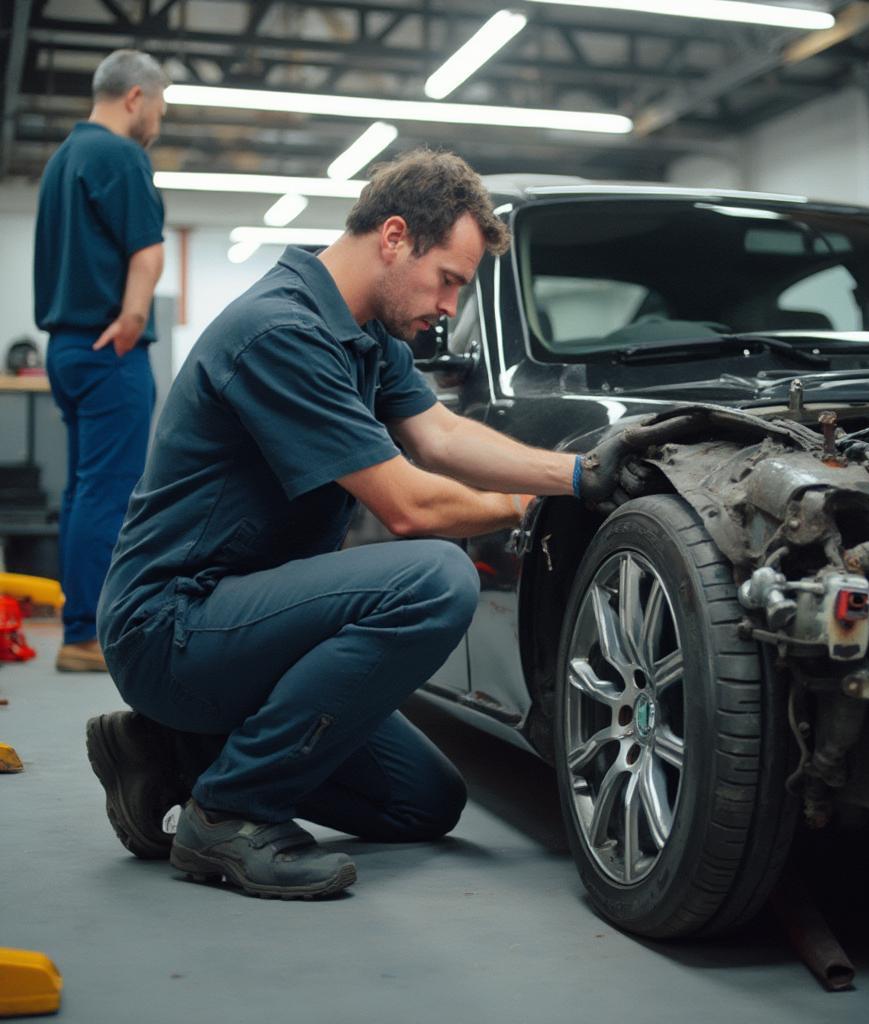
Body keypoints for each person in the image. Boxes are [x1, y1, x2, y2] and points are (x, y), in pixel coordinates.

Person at [85, 150, 629, 900]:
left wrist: (578, 473)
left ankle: (169, 751)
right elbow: (410, 505)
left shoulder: (367, 337)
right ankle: (228, 814)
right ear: (395, 237)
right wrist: (530, 508)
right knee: (435, 578)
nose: (448, 307)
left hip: (245, 625)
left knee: (423, 803)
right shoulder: (280, 330)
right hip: (171, 626)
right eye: (448, 281)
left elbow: (440, 437)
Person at [34, 50, 168, 673]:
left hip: (65, 348)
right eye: (161, 106)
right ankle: (88, 636)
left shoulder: (64, 159)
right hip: (108, 346)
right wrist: (134, 318)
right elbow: (146, 253)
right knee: (111, 493)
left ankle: (79, 625)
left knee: (84, 491)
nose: (159, 120)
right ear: (136, 96)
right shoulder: (119, 154)